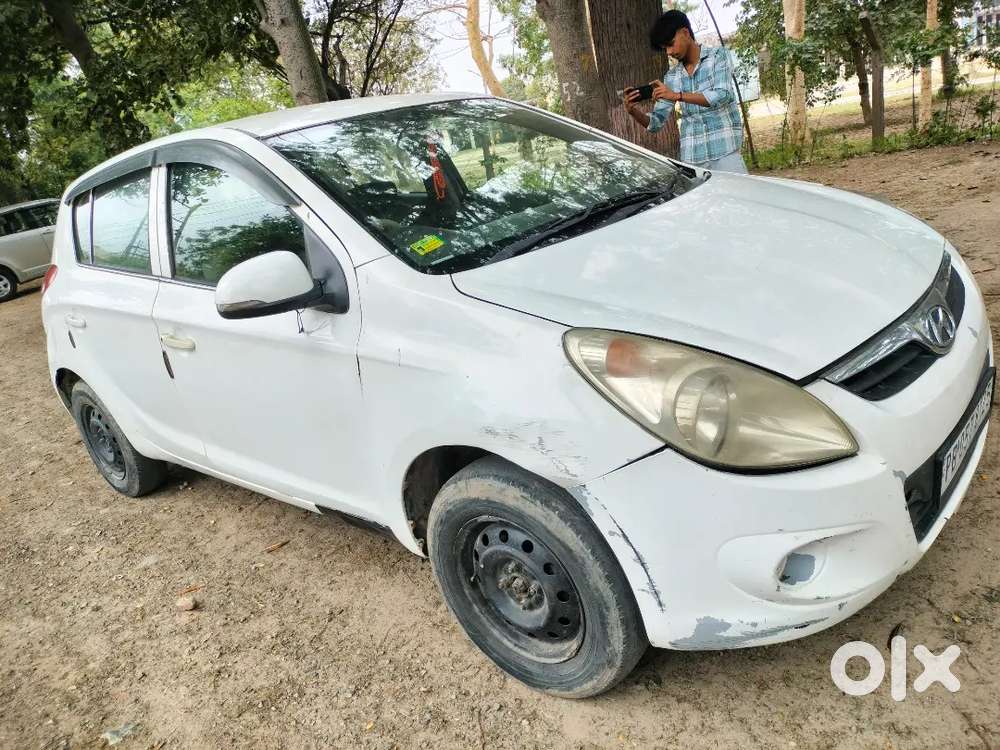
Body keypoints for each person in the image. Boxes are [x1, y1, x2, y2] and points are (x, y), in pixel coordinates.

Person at [624, 10, 747, 174]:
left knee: (739, 199)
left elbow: (723, 95)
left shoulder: (718, 56)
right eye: (664, 48)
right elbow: (655, 123)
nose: (668, 52)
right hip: (693, 161)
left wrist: (678, 96)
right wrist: (633, 111)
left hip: (726, 154)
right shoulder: (672, 77)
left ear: (685, 33)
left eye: (670, 44)